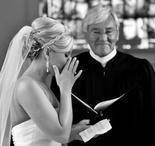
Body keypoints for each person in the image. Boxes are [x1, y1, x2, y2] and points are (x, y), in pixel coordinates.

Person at [51, 4, 155, 146]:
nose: (103, 38)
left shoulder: (141, 69)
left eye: (109, 31)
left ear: (117, 33)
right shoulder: (69, 68)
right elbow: (53, 121)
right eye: (96, 32)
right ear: (85, 33)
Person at [0, 17, 90, 146]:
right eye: (66, 55)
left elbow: (47, 136)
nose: (69, 61)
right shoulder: (26, 86)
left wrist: (73, 132)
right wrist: (66, 89)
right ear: (47, 52)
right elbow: (61, 136)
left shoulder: (42, 85)